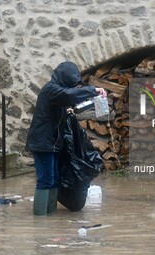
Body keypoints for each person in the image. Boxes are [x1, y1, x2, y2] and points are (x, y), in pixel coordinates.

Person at [26, 61, 106, 216]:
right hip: (43, 143)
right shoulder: (51, 90)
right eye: (71, 83)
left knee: (54, 179)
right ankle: (40, 218)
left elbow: (65, 99)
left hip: (53, 143)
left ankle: (51, 216)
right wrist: (93, 91)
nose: (72, 87)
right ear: (64, 78)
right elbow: (68, 95)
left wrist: (67, 111)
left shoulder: (56, 93)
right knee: (45, 181)